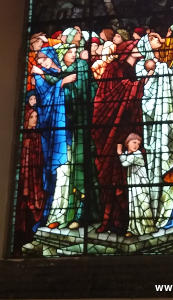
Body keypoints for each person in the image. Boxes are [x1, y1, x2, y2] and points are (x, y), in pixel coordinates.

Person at [92, 40, 154, 234]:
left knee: (123, 177)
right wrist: (139, 84)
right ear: (126, 51)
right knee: (110, 175)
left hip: (127, 128)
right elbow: (111, 93)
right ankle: (108, 220)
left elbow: (132, 94)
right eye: (135, 47)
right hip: (111, 128)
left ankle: (123, 222)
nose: (139, 49)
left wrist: (140, 82)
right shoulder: (114, 67)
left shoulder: (134, 69)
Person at [136, 32, 173, 228]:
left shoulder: (169, 61)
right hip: (158, 129)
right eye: (151, 38)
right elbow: (146, 99)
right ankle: (168, 214)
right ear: (146, 46)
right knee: (165, 168)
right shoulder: (144, 66)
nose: (157, 38)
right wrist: (153, 72)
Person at [31, 47, 74, 229]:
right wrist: (62, 83)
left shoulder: (59, 72)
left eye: (43, 58)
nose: (42, 62)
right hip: (54, 132)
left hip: (70, 128)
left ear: (51, 56)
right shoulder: (39, 78)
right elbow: (46, 101)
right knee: (60, 172)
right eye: (39, 60)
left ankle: (69, 213)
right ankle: (55, 215)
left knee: (71, 171)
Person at [14, 107, 46, 255]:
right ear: (27, 119)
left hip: (37, 178)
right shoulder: (24, 139)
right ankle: (22, 241)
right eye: (32, 116)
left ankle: (32, 238)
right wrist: (26, 185)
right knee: (25, 209)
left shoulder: (37, 136)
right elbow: (23, 163)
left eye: (36, 116)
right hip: (26, 181)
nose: (35, 119)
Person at [118, 133, 156, 236]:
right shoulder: (128, 153)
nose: (136, 145)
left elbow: (124, 163)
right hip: (133, 184)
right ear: (127, 142)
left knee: (143, 204)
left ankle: (148, 227)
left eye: (138, 144)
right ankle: (133, 228)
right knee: (133, 205)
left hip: (141, 184)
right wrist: (122, 153)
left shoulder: (137, 153)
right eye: (134, 142)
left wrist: (119, 152)